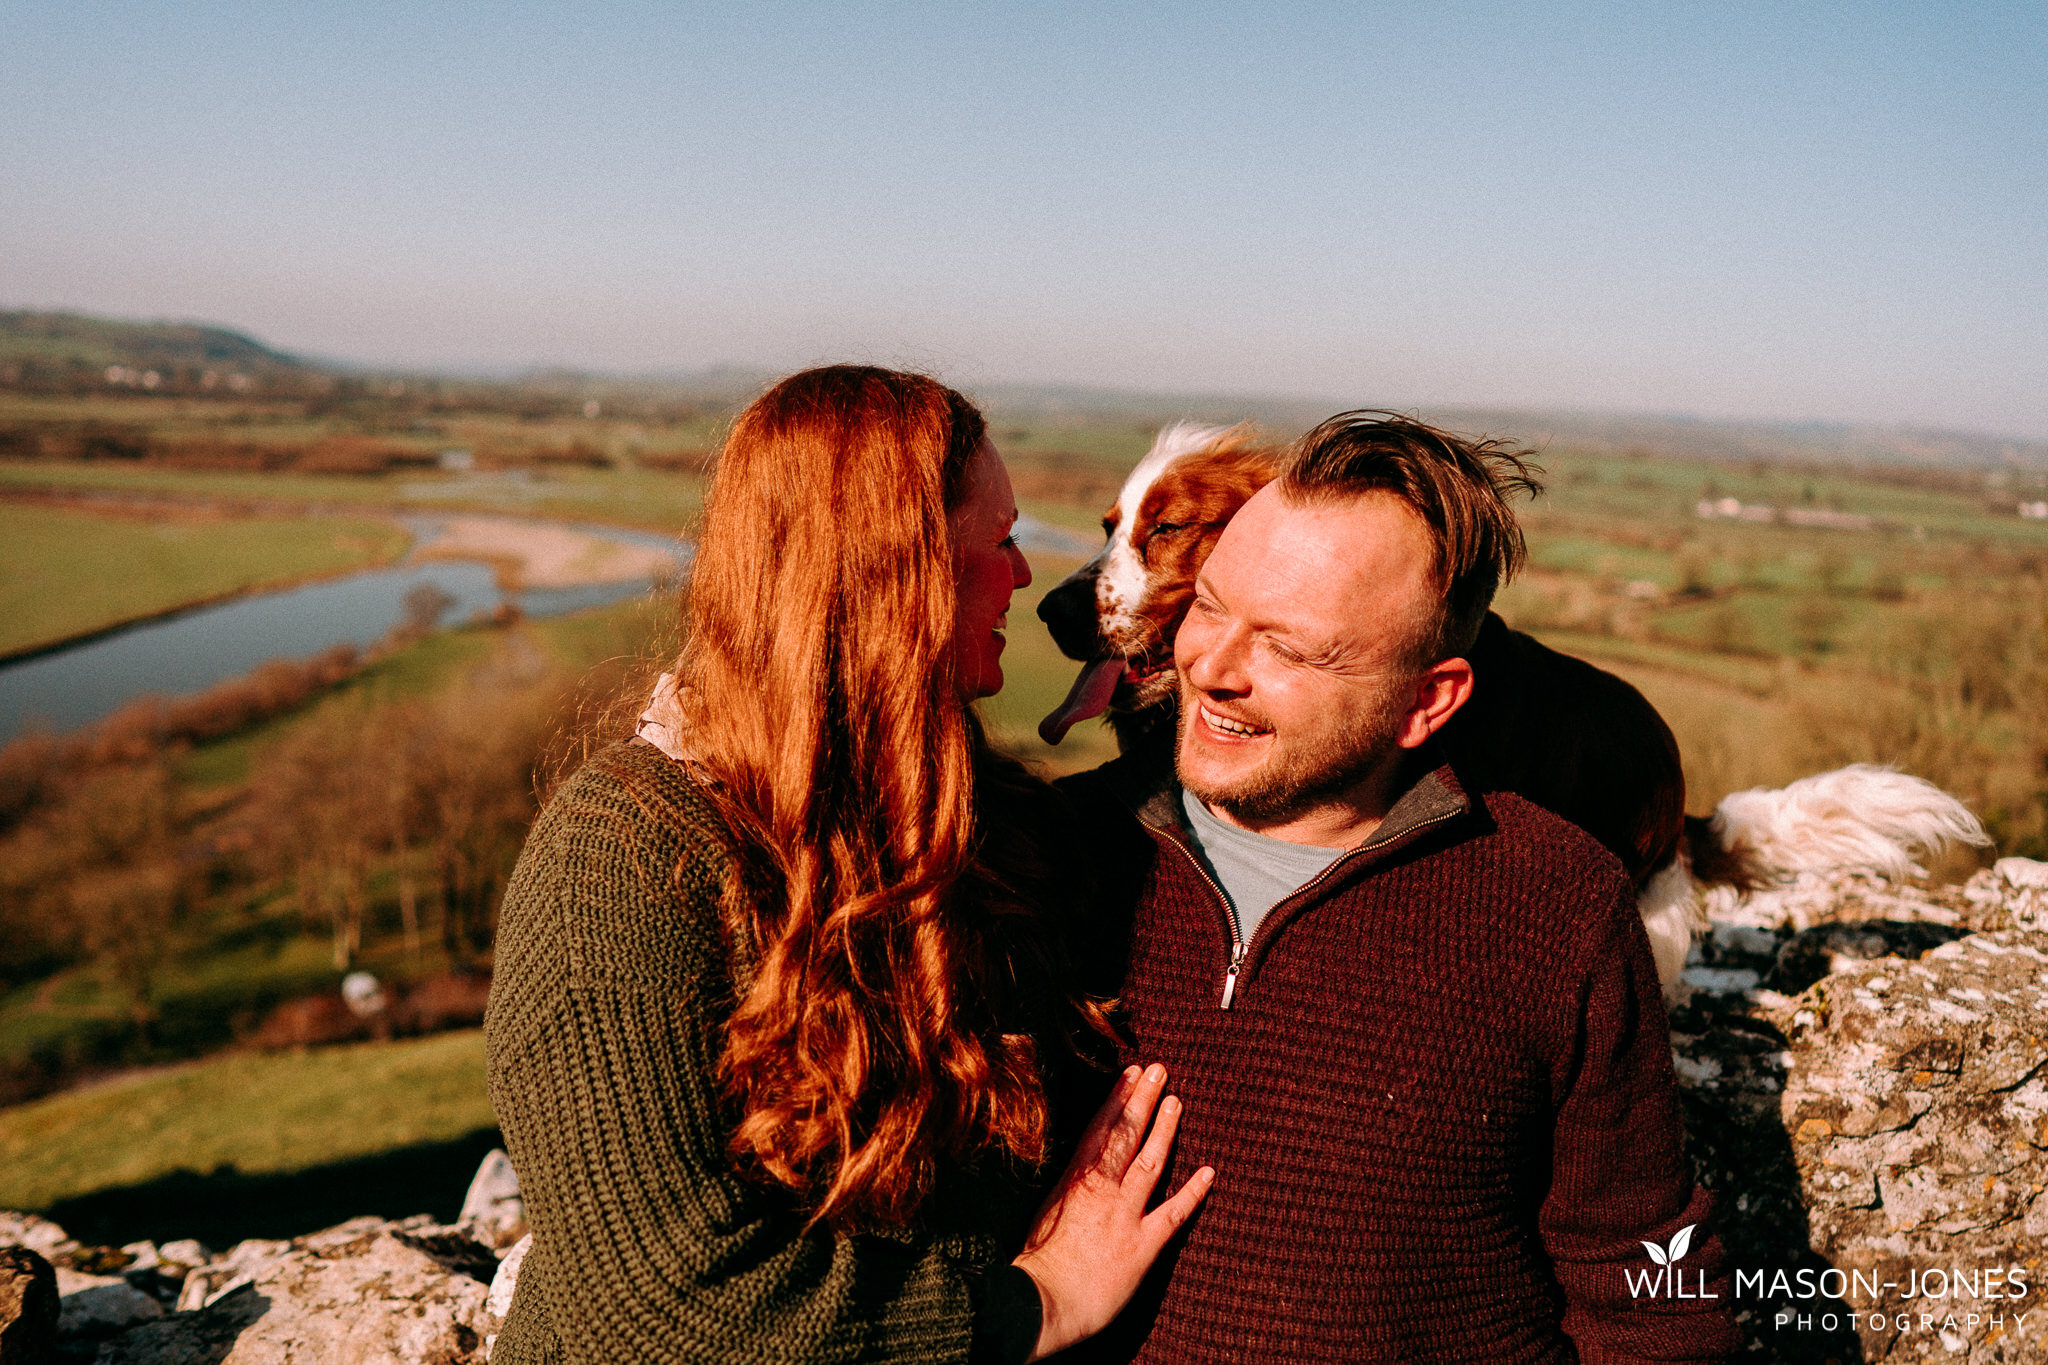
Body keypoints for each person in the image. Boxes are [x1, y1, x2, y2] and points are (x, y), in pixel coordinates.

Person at [485, 366, 1211, 1364]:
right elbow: (657, 1315)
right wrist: (1026, 1307)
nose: (1026, 575)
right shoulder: (624, 854)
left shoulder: (982, 821)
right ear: (890, 572)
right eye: (999, 542)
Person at [1063, 413, 1742, 1362]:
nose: (1211, 670)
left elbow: (1651, 1284)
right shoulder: (1064, 856)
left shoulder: (1557, 903)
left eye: (1289, 650)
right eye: (1210, 608)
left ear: (1431, 699)